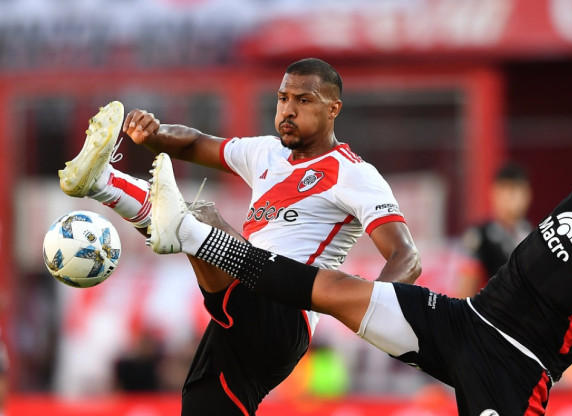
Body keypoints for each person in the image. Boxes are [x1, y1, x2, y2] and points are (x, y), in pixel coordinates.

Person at [145, 58, 572, 415]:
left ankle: (192, 233)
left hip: (514, 369)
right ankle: (193, 234)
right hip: (463, 322)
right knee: (333, 287)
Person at [58, 58, 421, 414]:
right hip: (239, 307)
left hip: (285, 311)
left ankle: (104, 182)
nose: (288, 110)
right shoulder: (265, 153)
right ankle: (125, 195)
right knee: (202, 405)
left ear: (333, 109)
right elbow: (194, 143)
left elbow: (407, 257)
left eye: (303, 100)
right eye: (283, 98)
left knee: (201, 217)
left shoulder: (353, 173)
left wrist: (370, 304)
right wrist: (154, 135)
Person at [458, 162, 532, 296]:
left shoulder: (533, 235)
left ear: (527, 195)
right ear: (494, 193)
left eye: (516, 190)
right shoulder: (480, 236)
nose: (511, 198)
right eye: (506, 191)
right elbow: (466, 287)